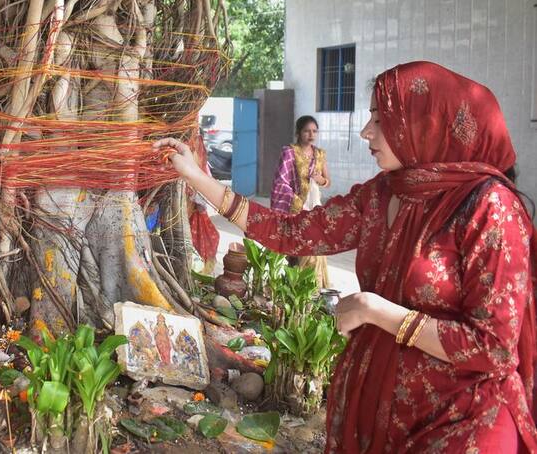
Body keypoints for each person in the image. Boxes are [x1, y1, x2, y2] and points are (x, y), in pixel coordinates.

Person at [154, 61, 537, 452]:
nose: (366, 131)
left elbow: (494, 347)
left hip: (459, 424)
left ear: (424, 124)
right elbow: (290, 232)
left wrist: (374, 310)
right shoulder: (383, 194)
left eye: (381, 118)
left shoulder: (490, 209)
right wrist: (197, 176)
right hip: (378, 413)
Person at [271, 115, 330, 287]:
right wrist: (297, 202)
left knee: (315, 250)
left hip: (314, 209)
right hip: (294, 209)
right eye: (307, 131)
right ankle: (294, 289)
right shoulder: (289, 152)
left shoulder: (319, 154)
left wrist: (320, 180)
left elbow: (328, 181)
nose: (311, 135)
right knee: (295, 252)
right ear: (298, 132)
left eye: (314, 131)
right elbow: (280, 182)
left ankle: (316, 288)